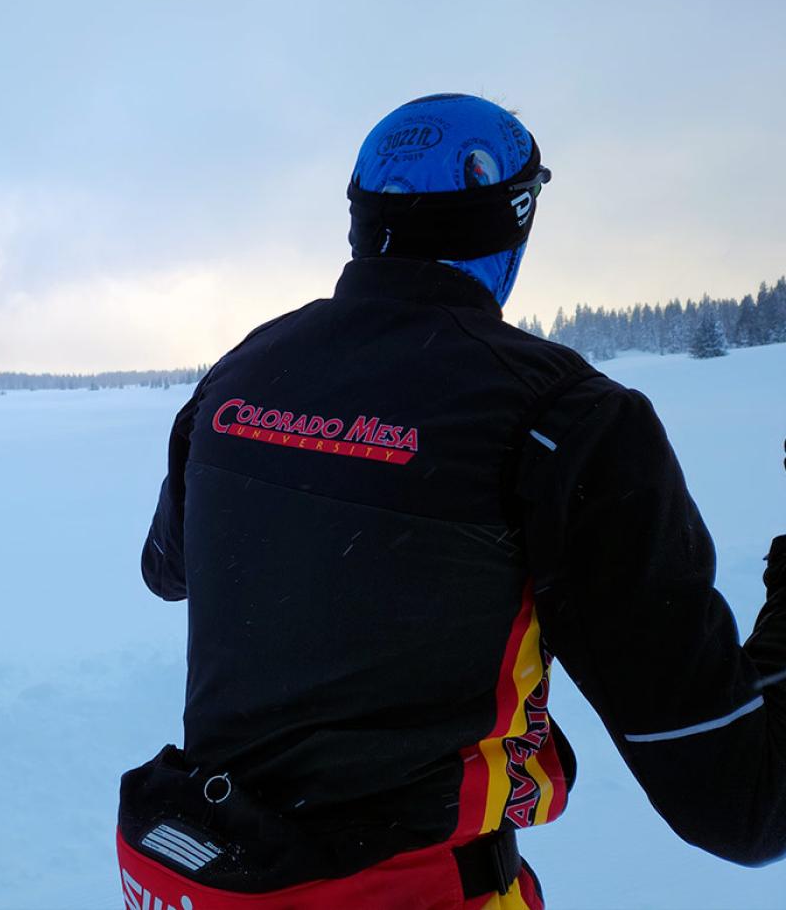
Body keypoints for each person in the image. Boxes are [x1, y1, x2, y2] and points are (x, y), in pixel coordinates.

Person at [115, 93, 786, 910]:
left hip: (211, 874)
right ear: (513, 224)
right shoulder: (564, 419)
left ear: (360, 219)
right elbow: (746, 801)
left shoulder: (240, 372)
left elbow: (168, 568)